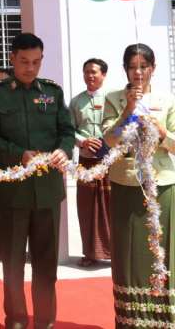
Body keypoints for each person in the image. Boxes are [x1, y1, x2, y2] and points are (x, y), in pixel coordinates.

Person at [0, 33, 75, 329]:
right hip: (13, 191)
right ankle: (17, 321)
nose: (30, 68)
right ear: (12, 59)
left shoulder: (53, 92)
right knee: (12, 263)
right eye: (24, 62)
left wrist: (64, 150)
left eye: (36, 62)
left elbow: (67, 131)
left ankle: (45, 322)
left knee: (46, 264)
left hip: (47, 191)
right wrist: (18, 154)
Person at [101, 44, 175, 328]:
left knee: (161, 253)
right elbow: (110, 140)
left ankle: (163, 319)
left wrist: (163, 133)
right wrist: (128, 111)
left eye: (144, 67)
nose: (138, 72)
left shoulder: (167, 99)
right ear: (125, 70)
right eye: (132, 67)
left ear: (153, 68)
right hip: (126, 183)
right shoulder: (114, 99)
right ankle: (132, 320)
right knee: (128, 254)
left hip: (162, 184)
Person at [69, 58, 111, 267]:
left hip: (110, 161)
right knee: (86, 208)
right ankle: (90, 253)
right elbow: (68, 129)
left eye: (94, 72)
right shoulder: (76, 102)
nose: (90, 76)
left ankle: (114, 253)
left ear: (104, 74)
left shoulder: (112, 99)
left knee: (110, 206)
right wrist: (82, 141)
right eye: (86, 72)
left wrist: (107, 142)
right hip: (85, 161)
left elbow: (120, 126)